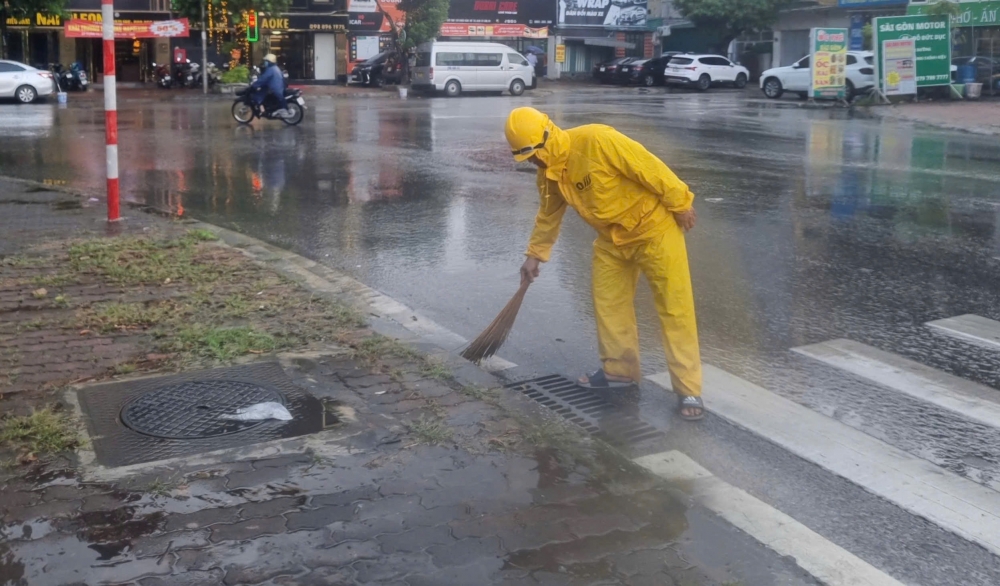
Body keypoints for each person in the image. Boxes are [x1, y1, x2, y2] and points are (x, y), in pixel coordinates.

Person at [505, 107, 705, 421]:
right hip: (612, 241)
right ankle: (620, 373)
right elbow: (548, 215)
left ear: (549, 137)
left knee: (674, 307)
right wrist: (535, 255)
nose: (533, 162)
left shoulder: (597, 140)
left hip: (655, 232)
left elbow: (647, 167)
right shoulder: (549, 175)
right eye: (525, 158)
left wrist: (680, 202)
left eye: (533, 154)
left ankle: (688, 387)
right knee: (609, 306)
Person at [251, 54, 291, 119]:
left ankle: (263, 111)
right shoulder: (276, 68)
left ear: (269, 62)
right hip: (279, 88)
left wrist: (255, 85)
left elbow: (263, 79)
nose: (265, 62)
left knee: (258, 95)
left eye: (266, 61)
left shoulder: (270, 70)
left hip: (274, 90)